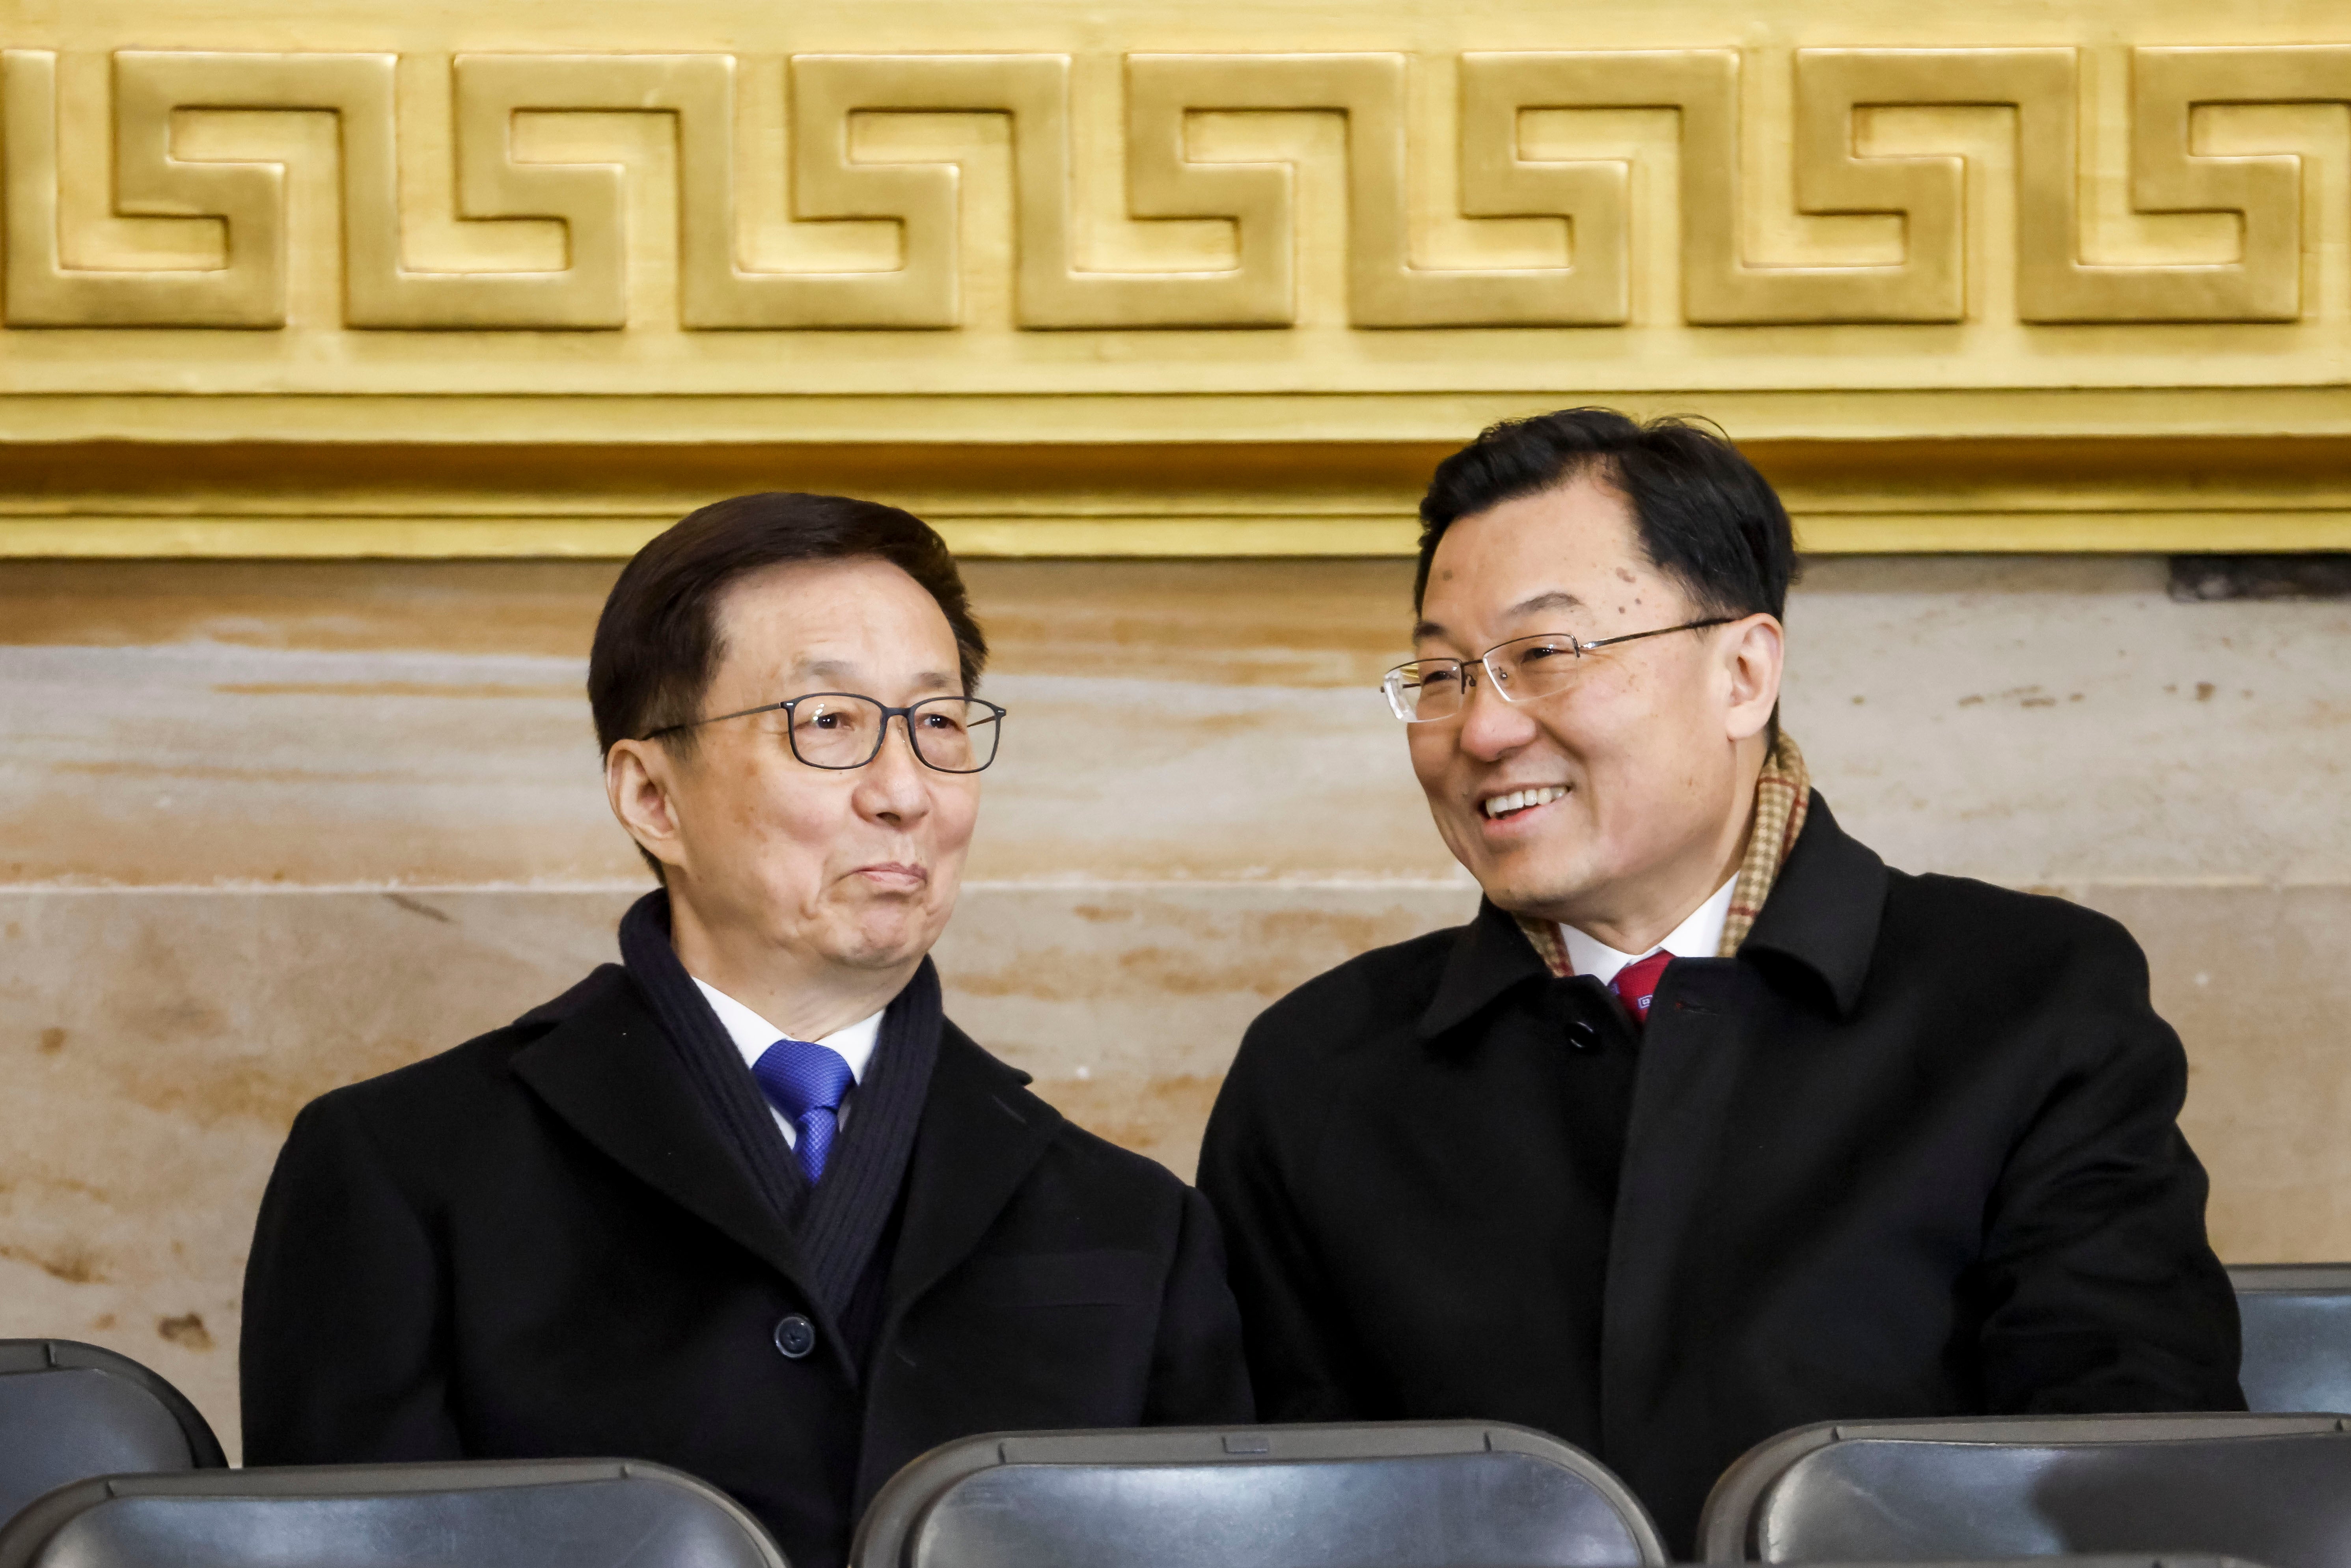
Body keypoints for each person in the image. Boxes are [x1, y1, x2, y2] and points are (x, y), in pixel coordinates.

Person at [1197, 409, 2242, 1553]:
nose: (1484, 728)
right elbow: (1263, 1514)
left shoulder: (2028, 1004)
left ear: (1743, 671)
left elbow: (2136, 1482)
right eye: (1442, 674)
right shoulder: (1317, 1071)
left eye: (1544, 655)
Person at [242, 493, 1251, 1568]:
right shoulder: (401, 1174)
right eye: (827, 722)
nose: (906, 791)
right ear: (650, 796)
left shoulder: (1135, 1223)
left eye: (940, 721)